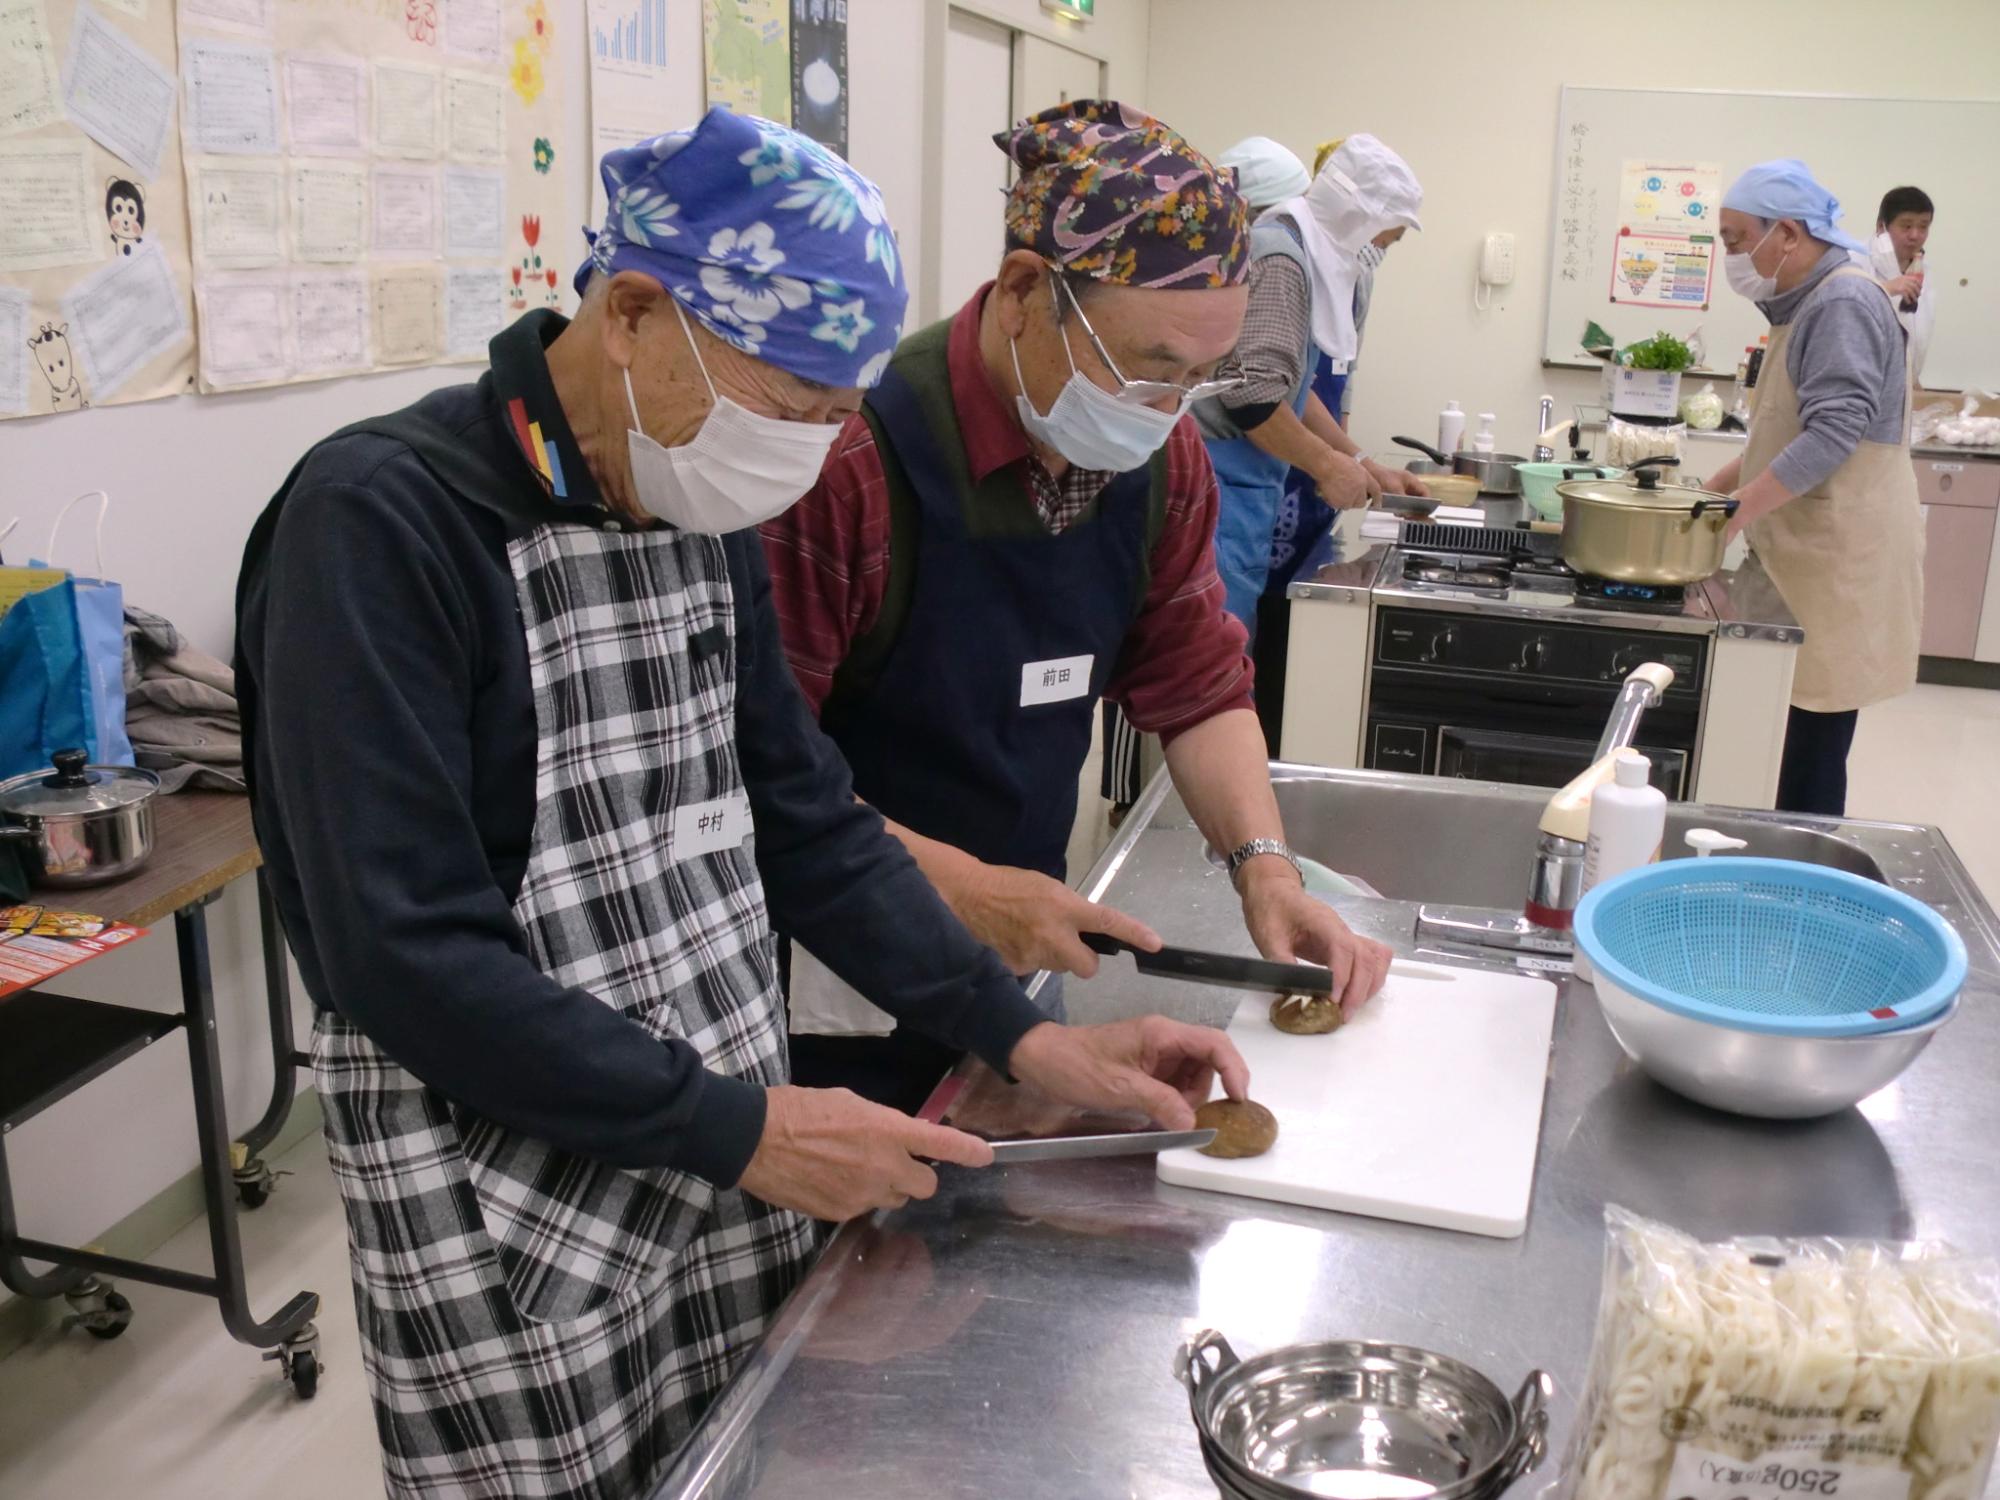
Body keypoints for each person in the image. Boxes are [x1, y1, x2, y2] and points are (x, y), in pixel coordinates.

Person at [235, 109, 1248, 1500]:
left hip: (718, 1145)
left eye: (842, 422)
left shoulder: (687, 508)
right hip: (501, 1202)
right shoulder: (383, 528)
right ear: (635, 313)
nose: (816, 458)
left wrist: (1020, 1040)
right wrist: (747, 1129)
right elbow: (398, 954)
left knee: (735, 1468)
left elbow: (805, 819)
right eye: (790, 413)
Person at [760, 100, 1393, 1112]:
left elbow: (1195, 686)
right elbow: (753, 773)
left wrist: (1266, 869)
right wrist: (963, 892)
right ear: (1022, 292)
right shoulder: (852, 460)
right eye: (1147, 367)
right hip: (820, 969)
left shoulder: (1160, 454)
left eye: (1197, 379)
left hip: (1015, 954)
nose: (1164, 406)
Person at [1706, 159, 1923, 817]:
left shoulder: (1842, 302)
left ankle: (1801, 890)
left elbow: (1832, 438)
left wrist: (1734, 513)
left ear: (1790, 234)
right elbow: (1784, 433)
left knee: (1810, 751)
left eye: (1738, 240)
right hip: (1805, 555)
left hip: (1838, 561)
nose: (1732, 257)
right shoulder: (1803, 304)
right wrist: (1715, 488)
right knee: (1781, 740)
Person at [1204, 134, 1426, 637]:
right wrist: (1327, 465)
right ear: (1357, 219)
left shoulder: (1305, 253)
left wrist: (1362, 460)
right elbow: (1253, 396)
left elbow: (1290, 391)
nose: (1379, 253)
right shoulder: (1282, 259)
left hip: (1242, 497)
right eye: (1382, 240)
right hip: (1217, 494)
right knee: (1194, 675)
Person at [1869, 185, 1935, 383]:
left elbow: (1918, 333)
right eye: (1906, 226)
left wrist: (1912, 379)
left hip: (1904, 384)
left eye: (1923, 226)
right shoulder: (1856, 260)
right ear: (1881, 226)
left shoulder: (1924, 270)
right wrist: (1887, 289)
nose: (1915, 235)